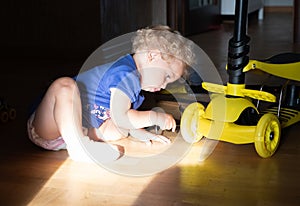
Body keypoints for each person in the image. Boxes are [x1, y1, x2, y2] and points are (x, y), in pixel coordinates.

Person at [27, 25, 195, 163]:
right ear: (153, 56)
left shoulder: (137, 93)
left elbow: (124, 121)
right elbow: (121, 116)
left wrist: (142, 134)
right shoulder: (124, 73)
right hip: (49, 126)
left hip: (81, 131)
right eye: (166, 76)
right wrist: (155, 117)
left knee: (120, 129)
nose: (164, 85)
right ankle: (80, 149)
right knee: (63, 85)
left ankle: (85, 143)